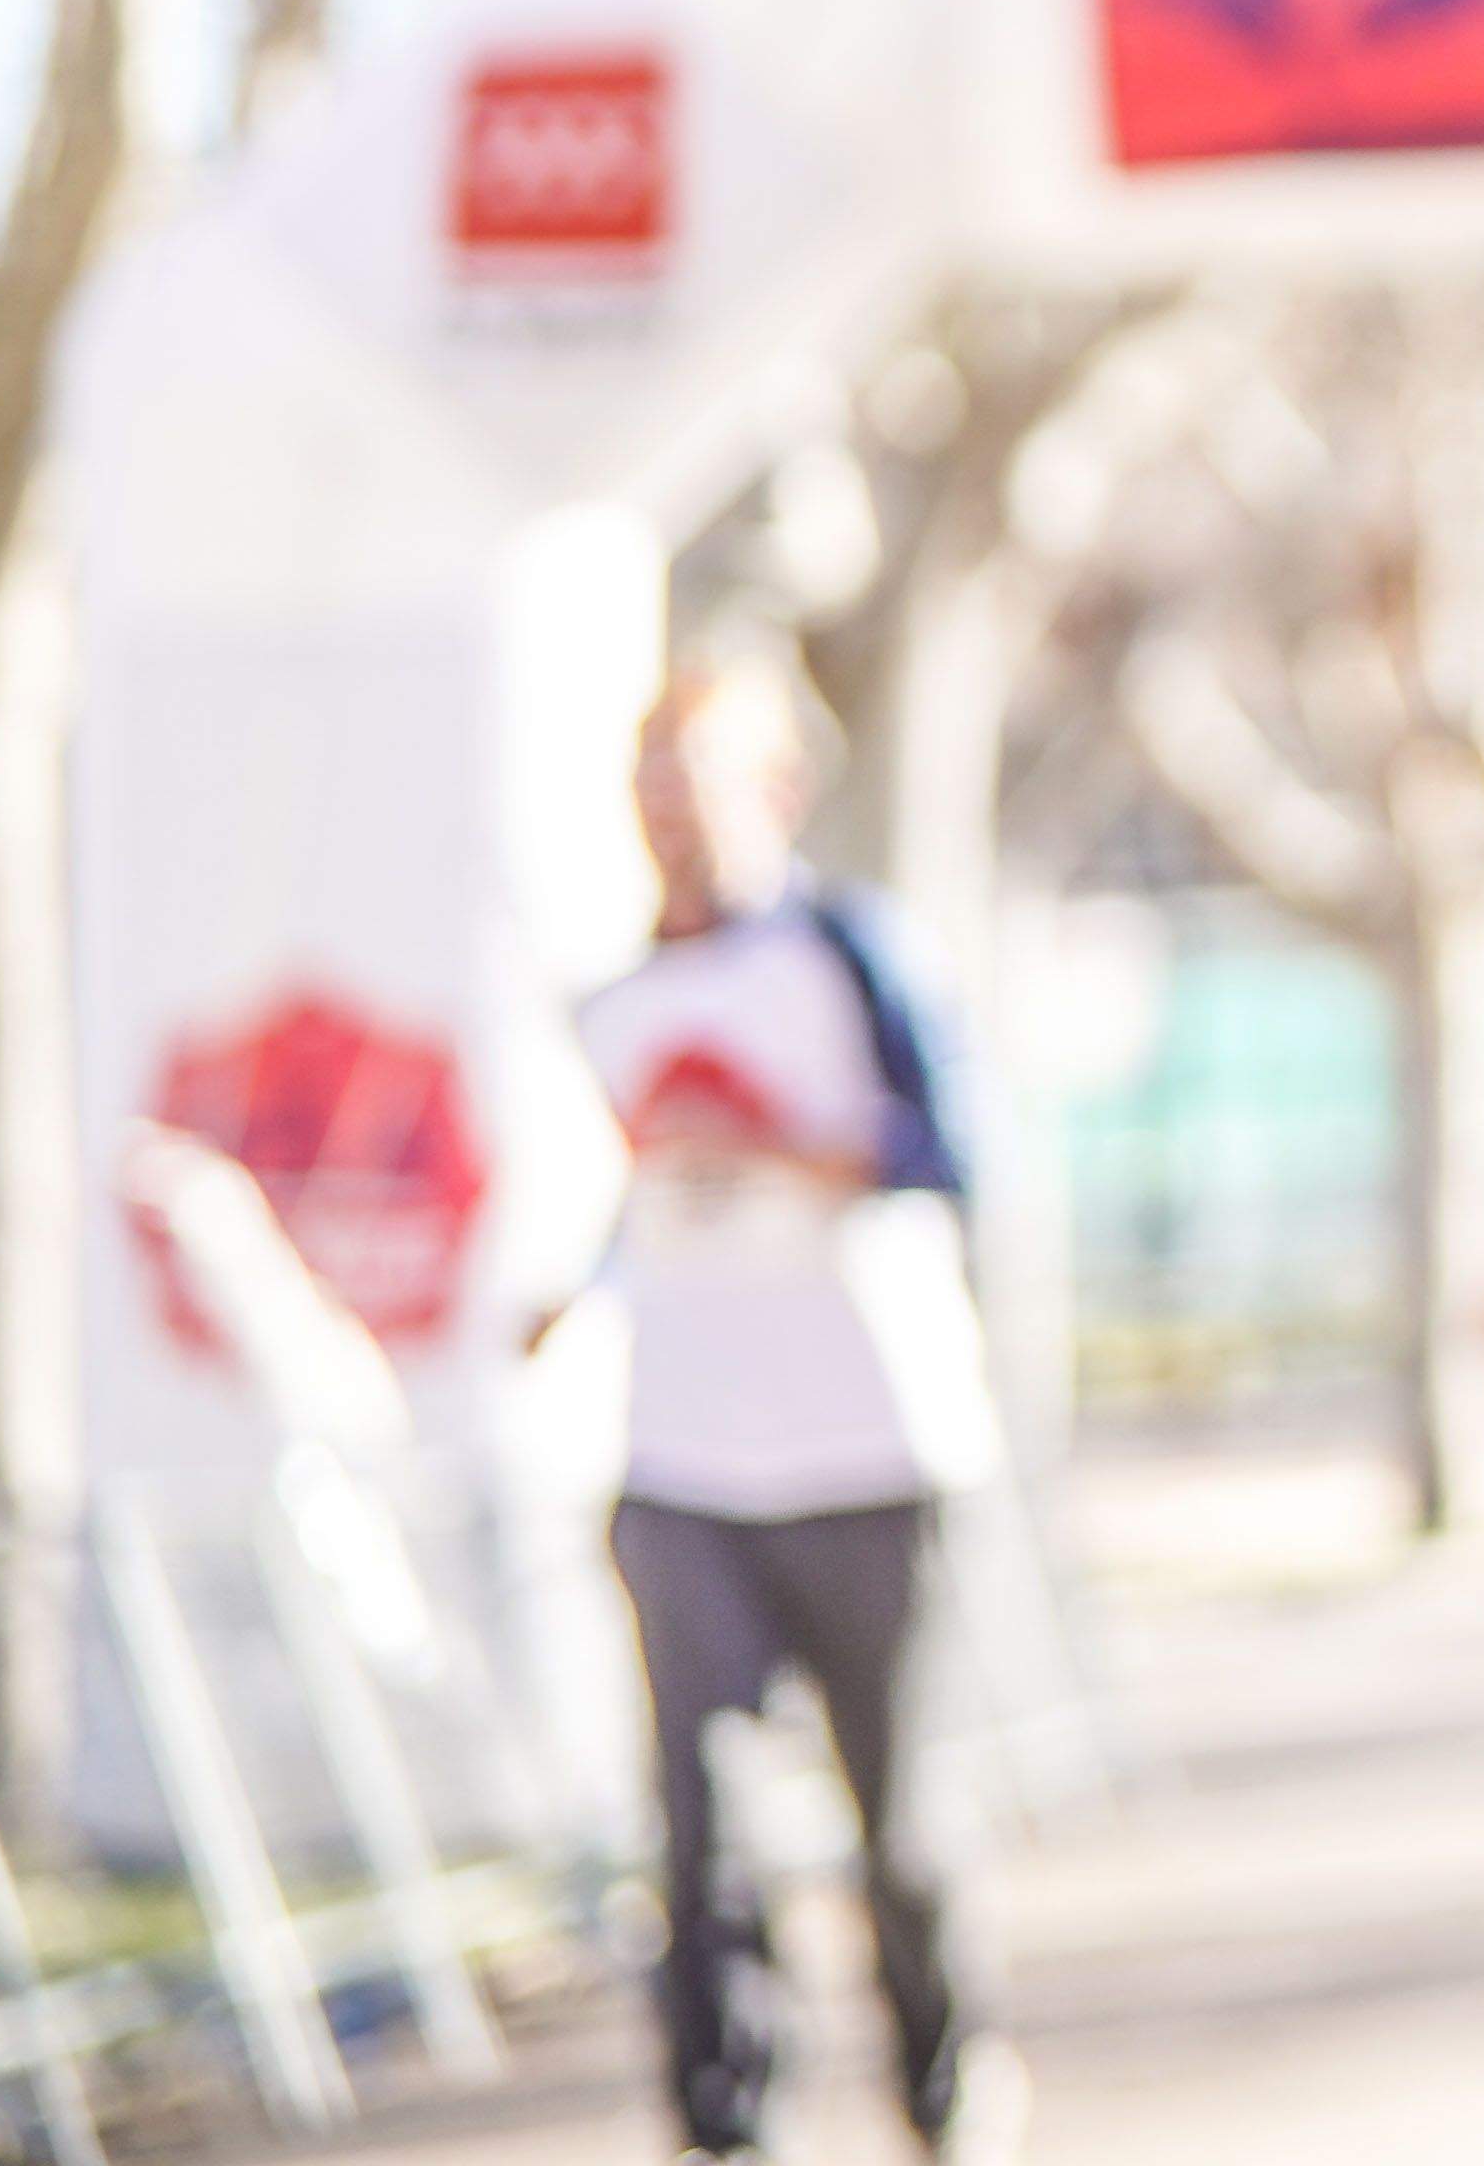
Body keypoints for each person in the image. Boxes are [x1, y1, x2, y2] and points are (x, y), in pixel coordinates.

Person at [559, 648, 1020, 2166]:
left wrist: (785, 1147)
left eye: (694, 791)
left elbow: (956, 1150)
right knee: (702, 1837)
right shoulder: (613, 993)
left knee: (900, 1834)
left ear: (774, 792)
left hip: (875, 1449)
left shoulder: (851, 950)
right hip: (685, 1460)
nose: (669, 824)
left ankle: (949, 2092)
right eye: (648, 794)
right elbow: (630, 1195)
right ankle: (723, 2123)